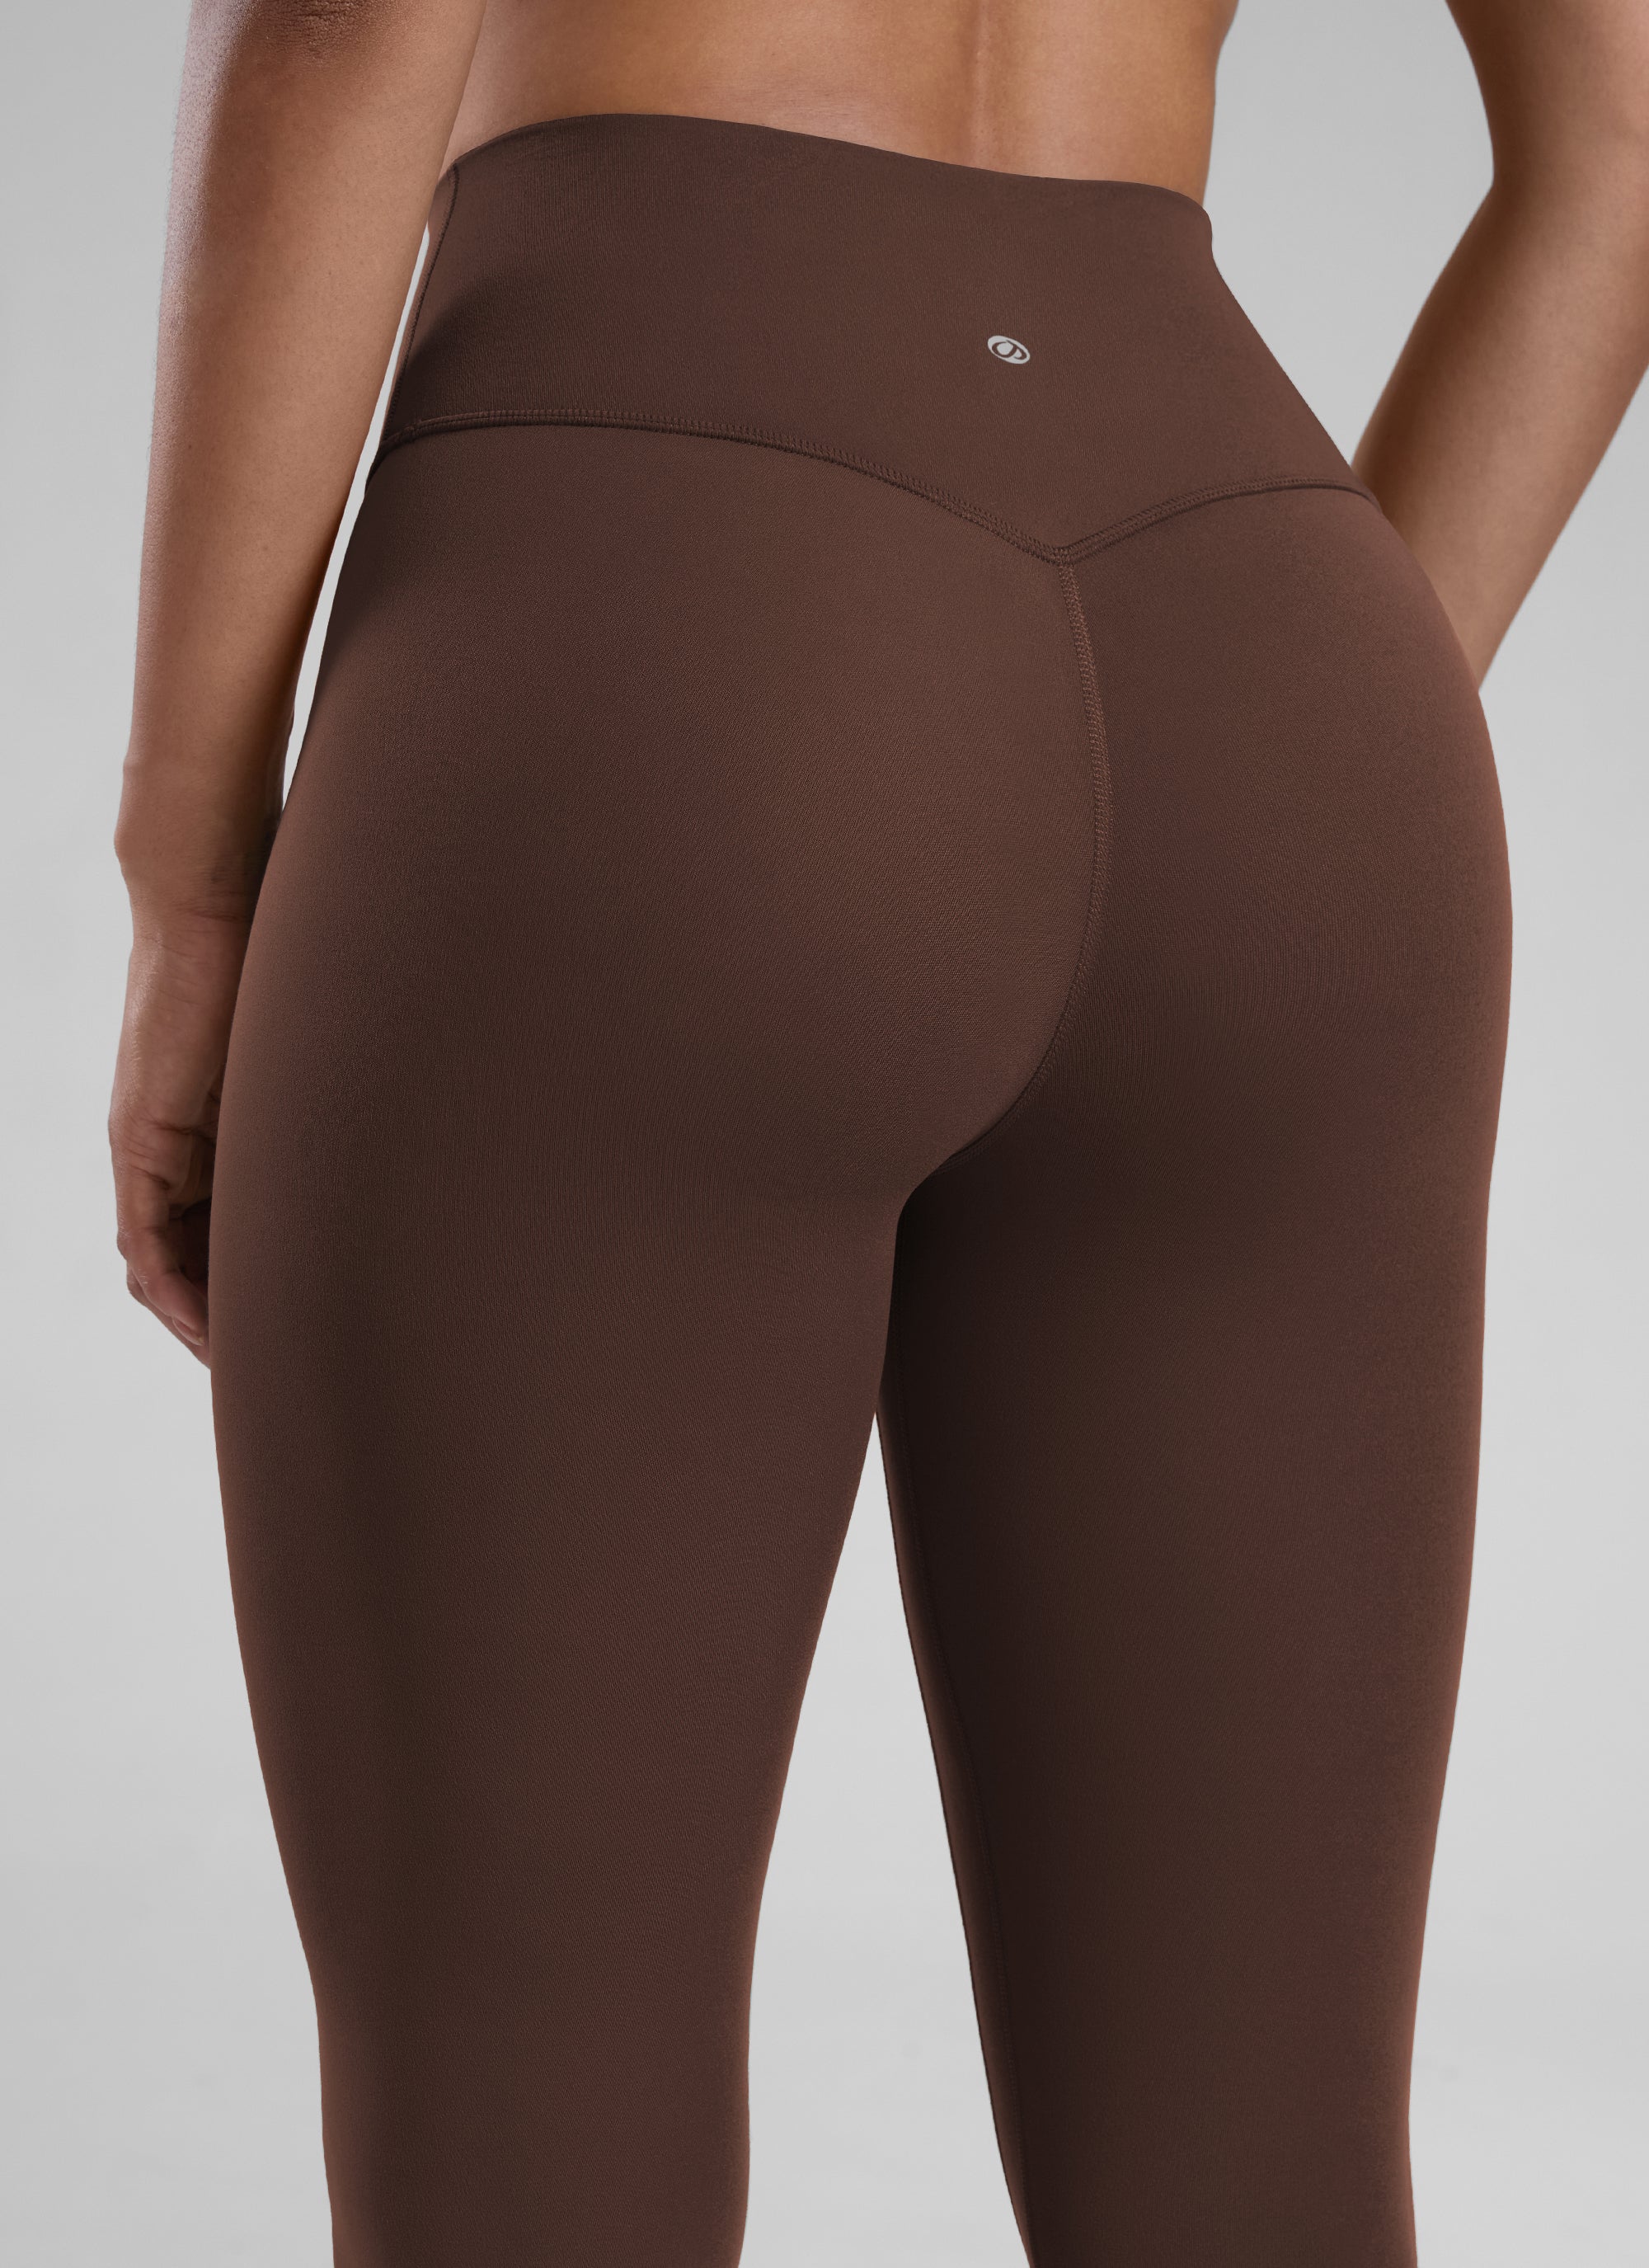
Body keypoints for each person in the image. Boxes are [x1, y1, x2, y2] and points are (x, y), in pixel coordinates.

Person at [108, 2, 1649, 2261]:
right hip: (1275, 645)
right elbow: (1623, 145)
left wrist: (192, 879)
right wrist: (1298, 732)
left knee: (531, 2110)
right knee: (1256, 2150)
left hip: (662, 601)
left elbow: (344, 32)